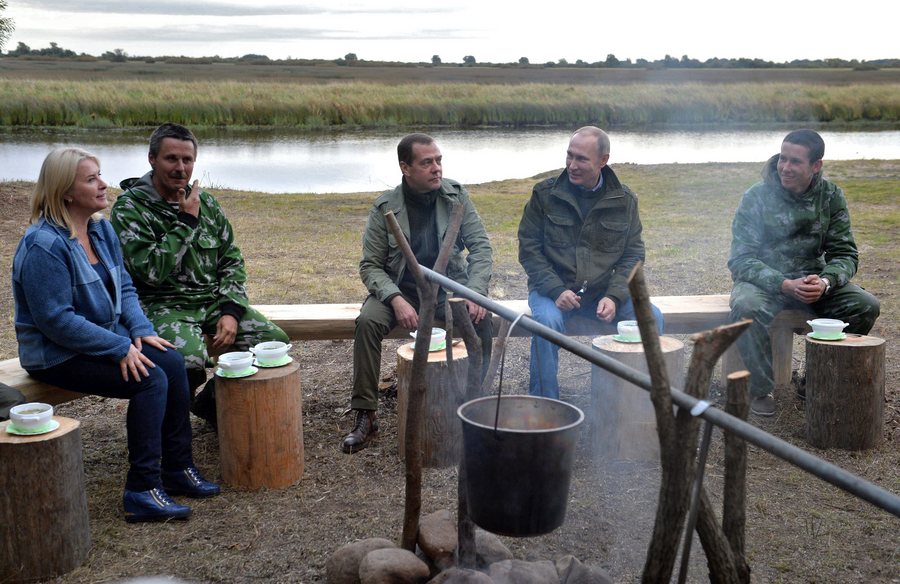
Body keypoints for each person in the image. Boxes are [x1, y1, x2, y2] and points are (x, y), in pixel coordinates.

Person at [12, 148, 219, 523]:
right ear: (65, 191)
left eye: (100, 175)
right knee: (149, 379)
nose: (103, 183)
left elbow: (124, 287)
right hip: (56, 354)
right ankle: (141, 489)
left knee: (170, 360)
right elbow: (56, 321)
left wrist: (140, 331)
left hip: (105, 339)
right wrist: (119, 345)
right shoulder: (44, 245)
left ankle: (177, 467)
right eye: (91, 179)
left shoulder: (100, 228)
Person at [110, 123, 288, 427]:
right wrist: (185, 221)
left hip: (211, 303)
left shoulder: (206, 203)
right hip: (162, 307)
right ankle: (170, 425)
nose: (181, 168)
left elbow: (231, 259)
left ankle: (209, 405)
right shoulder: (130, 210)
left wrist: (231, 311)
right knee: (186, 360)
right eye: (171, 159)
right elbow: (150, 272)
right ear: (152, 159)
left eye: (187, 160)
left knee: (273, 345)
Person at [342, 133, 494, 453]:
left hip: (449, 291)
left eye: (439, 160)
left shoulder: (456, 196)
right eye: (427, 163)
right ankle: (366, 415)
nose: (436, 168)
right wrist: (395, 299)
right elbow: (370, 266)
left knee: (483, 322)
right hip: (403, 291)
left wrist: (475, 293)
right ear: (405, 168)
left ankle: (474, 408)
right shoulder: (386, 206)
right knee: (368, 322)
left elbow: (481, 248)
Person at [728, 129, 880, 417]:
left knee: (865, 306)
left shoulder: (831, 196)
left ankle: (813, 380)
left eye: (795, 161)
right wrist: (783, 283)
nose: (785, 167)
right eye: (782, 159)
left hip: (812, 282)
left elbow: (845, 254)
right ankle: (760, 389)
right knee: (746, 307)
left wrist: (825, 281)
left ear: (816, 165)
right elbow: (741, 259)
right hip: (764, 282)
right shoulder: (756, 197)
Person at [518, 126, 664, 400]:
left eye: (581, 159)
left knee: (652, 318)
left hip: (602, 292)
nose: (572, 165)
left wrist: (615, 295)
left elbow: (633, 255)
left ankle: (637, 400)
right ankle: (544, 406)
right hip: (552, 291)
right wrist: (556, 290)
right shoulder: (544, 195)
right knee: (546, 323)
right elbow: (529, 250)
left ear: (603, 160)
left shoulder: (625, 200)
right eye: (569, 156)